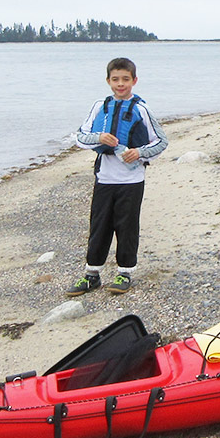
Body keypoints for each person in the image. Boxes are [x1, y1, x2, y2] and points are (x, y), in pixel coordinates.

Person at [66, 57, 168, 296]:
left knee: (127, 226)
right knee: (99, 225)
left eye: (125, 79)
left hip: (131, 181)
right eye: (115, 79)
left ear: (134, 80)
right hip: (104, 178)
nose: (120, 84)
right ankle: (92, 274)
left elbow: (161, 141)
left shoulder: (142, 109)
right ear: (108, 81)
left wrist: (139, 152)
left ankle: (125, 272)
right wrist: (100, 138)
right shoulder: (99, 106)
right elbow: (80, 137)